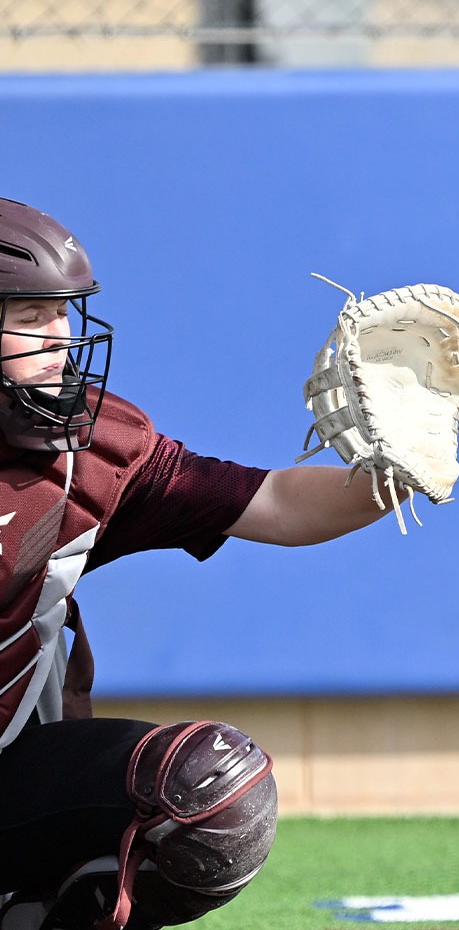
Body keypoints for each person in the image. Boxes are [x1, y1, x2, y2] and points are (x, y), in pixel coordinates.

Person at [0, 197, 436, 930]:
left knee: (209, 789)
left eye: (63, 313)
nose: (62, 340)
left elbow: (278, 505)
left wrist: (399, 467)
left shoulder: (95, 450)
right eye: (32, 316)